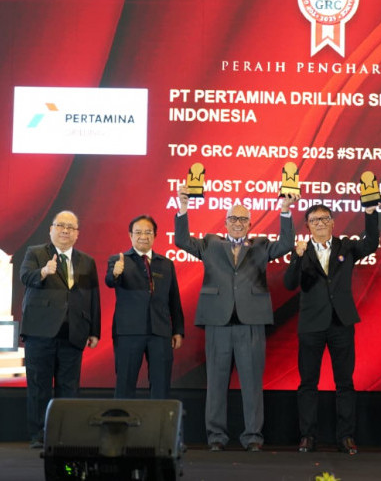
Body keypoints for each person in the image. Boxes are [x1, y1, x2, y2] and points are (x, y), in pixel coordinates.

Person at [175, 186, 297, 452]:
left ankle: (253, 436)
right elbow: (182, 241)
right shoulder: (210, 243)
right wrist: (183, 207)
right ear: (226, 222)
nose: (238, 223)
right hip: (218, 321)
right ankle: (216, 437)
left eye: (243, 219)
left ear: (250, 224)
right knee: (216, 383)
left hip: (251, 322)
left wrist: (285, 210)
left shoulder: (261, 245)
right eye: (233, 218)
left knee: (252, 382)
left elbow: (287, 244)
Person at [283, 203, 379, 455]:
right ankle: (307, 436)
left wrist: (370, 213)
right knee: (308, 383)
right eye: (315, 220)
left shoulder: (345, 247)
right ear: (308, 226)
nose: (320, 223)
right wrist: (297, 257)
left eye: (325, 218)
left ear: (333, 222)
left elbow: (371, 244)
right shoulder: (302, 250)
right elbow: (289, 283)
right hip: (311, 324)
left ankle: (346, 437)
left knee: (345, 382)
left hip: (341, 322)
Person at [19, 210, 101, 449]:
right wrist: (44, 271)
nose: (65, 230)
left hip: (73, 332)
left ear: (77, 234)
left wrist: (94, 330)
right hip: (40, 332)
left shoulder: (86, 261)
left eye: (71, 227)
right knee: (39, 386)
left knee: (69, 387)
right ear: (51, 229)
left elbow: (93, 297)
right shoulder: (36, 253)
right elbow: (25, 276)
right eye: (61, 226)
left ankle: (66, 434)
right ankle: (39, 434)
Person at [105, 215, 185, 399]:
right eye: (138, 232)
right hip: (129, 332)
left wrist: (178, 330)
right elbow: (110, 281)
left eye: (148, 232)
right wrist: (115, 273)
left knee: (161, 386)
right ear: (130, 235)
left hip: (160, 332)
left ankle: (159, 419)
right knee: (125, 385)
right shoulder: (119, 260)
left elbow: (174, 298)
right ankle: (122, 418)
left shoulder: (166, 264)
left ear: (155, 235)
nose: (143, 236)